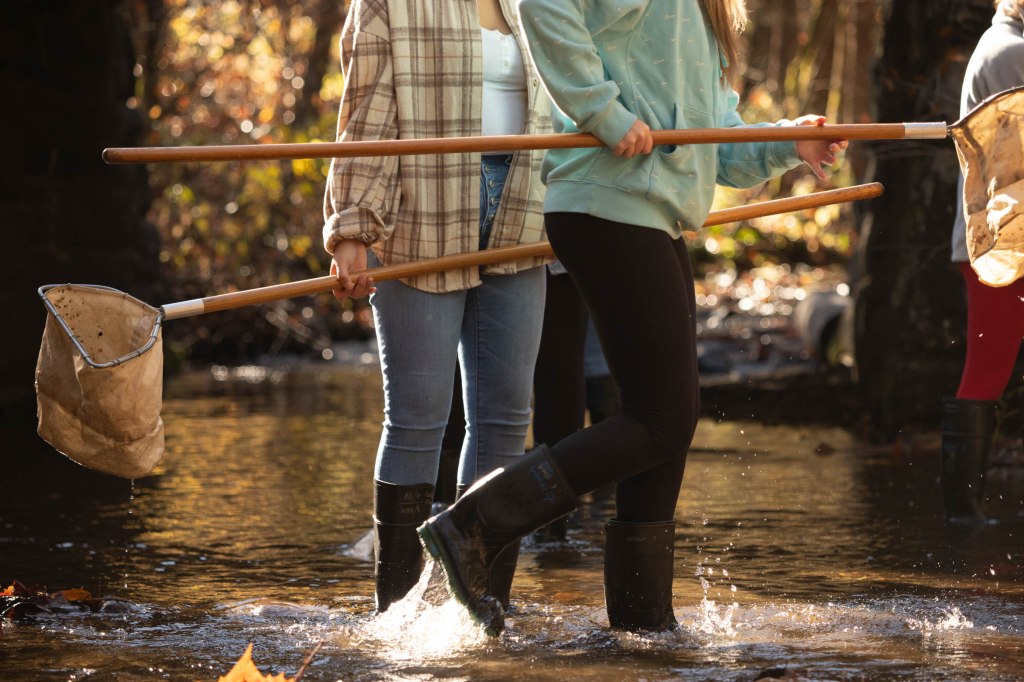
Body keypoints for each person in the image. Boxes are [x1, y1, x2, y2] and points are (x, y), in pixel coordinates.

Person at [417, 0, 847, 636]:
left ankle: (642, 623)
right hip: (606, 201)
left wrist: (788, 142)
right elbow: (543, 6)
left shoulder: (705, 15)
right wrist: (604, 112)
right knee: (661, 417)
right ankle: (475, 523)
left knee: (666, 420)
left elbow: (717, 144)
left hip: (654, 209)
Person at [323, 0, 552, 613]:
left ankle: (480, 609)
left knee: (506, 419)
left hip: (522, 216)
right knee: (419, 417)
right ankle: (395, 614)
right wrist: (351, 230)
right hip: (420, 215)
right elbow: (364, 115)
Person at [942, 0, 1024, 524]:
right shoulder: (1010, 52)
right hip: (1001, 244)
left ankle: (963, 515)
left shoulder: (1005, 45)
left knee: (988, 369)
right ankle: (962, 516)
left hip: (1002, 237)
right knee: (987, 370)